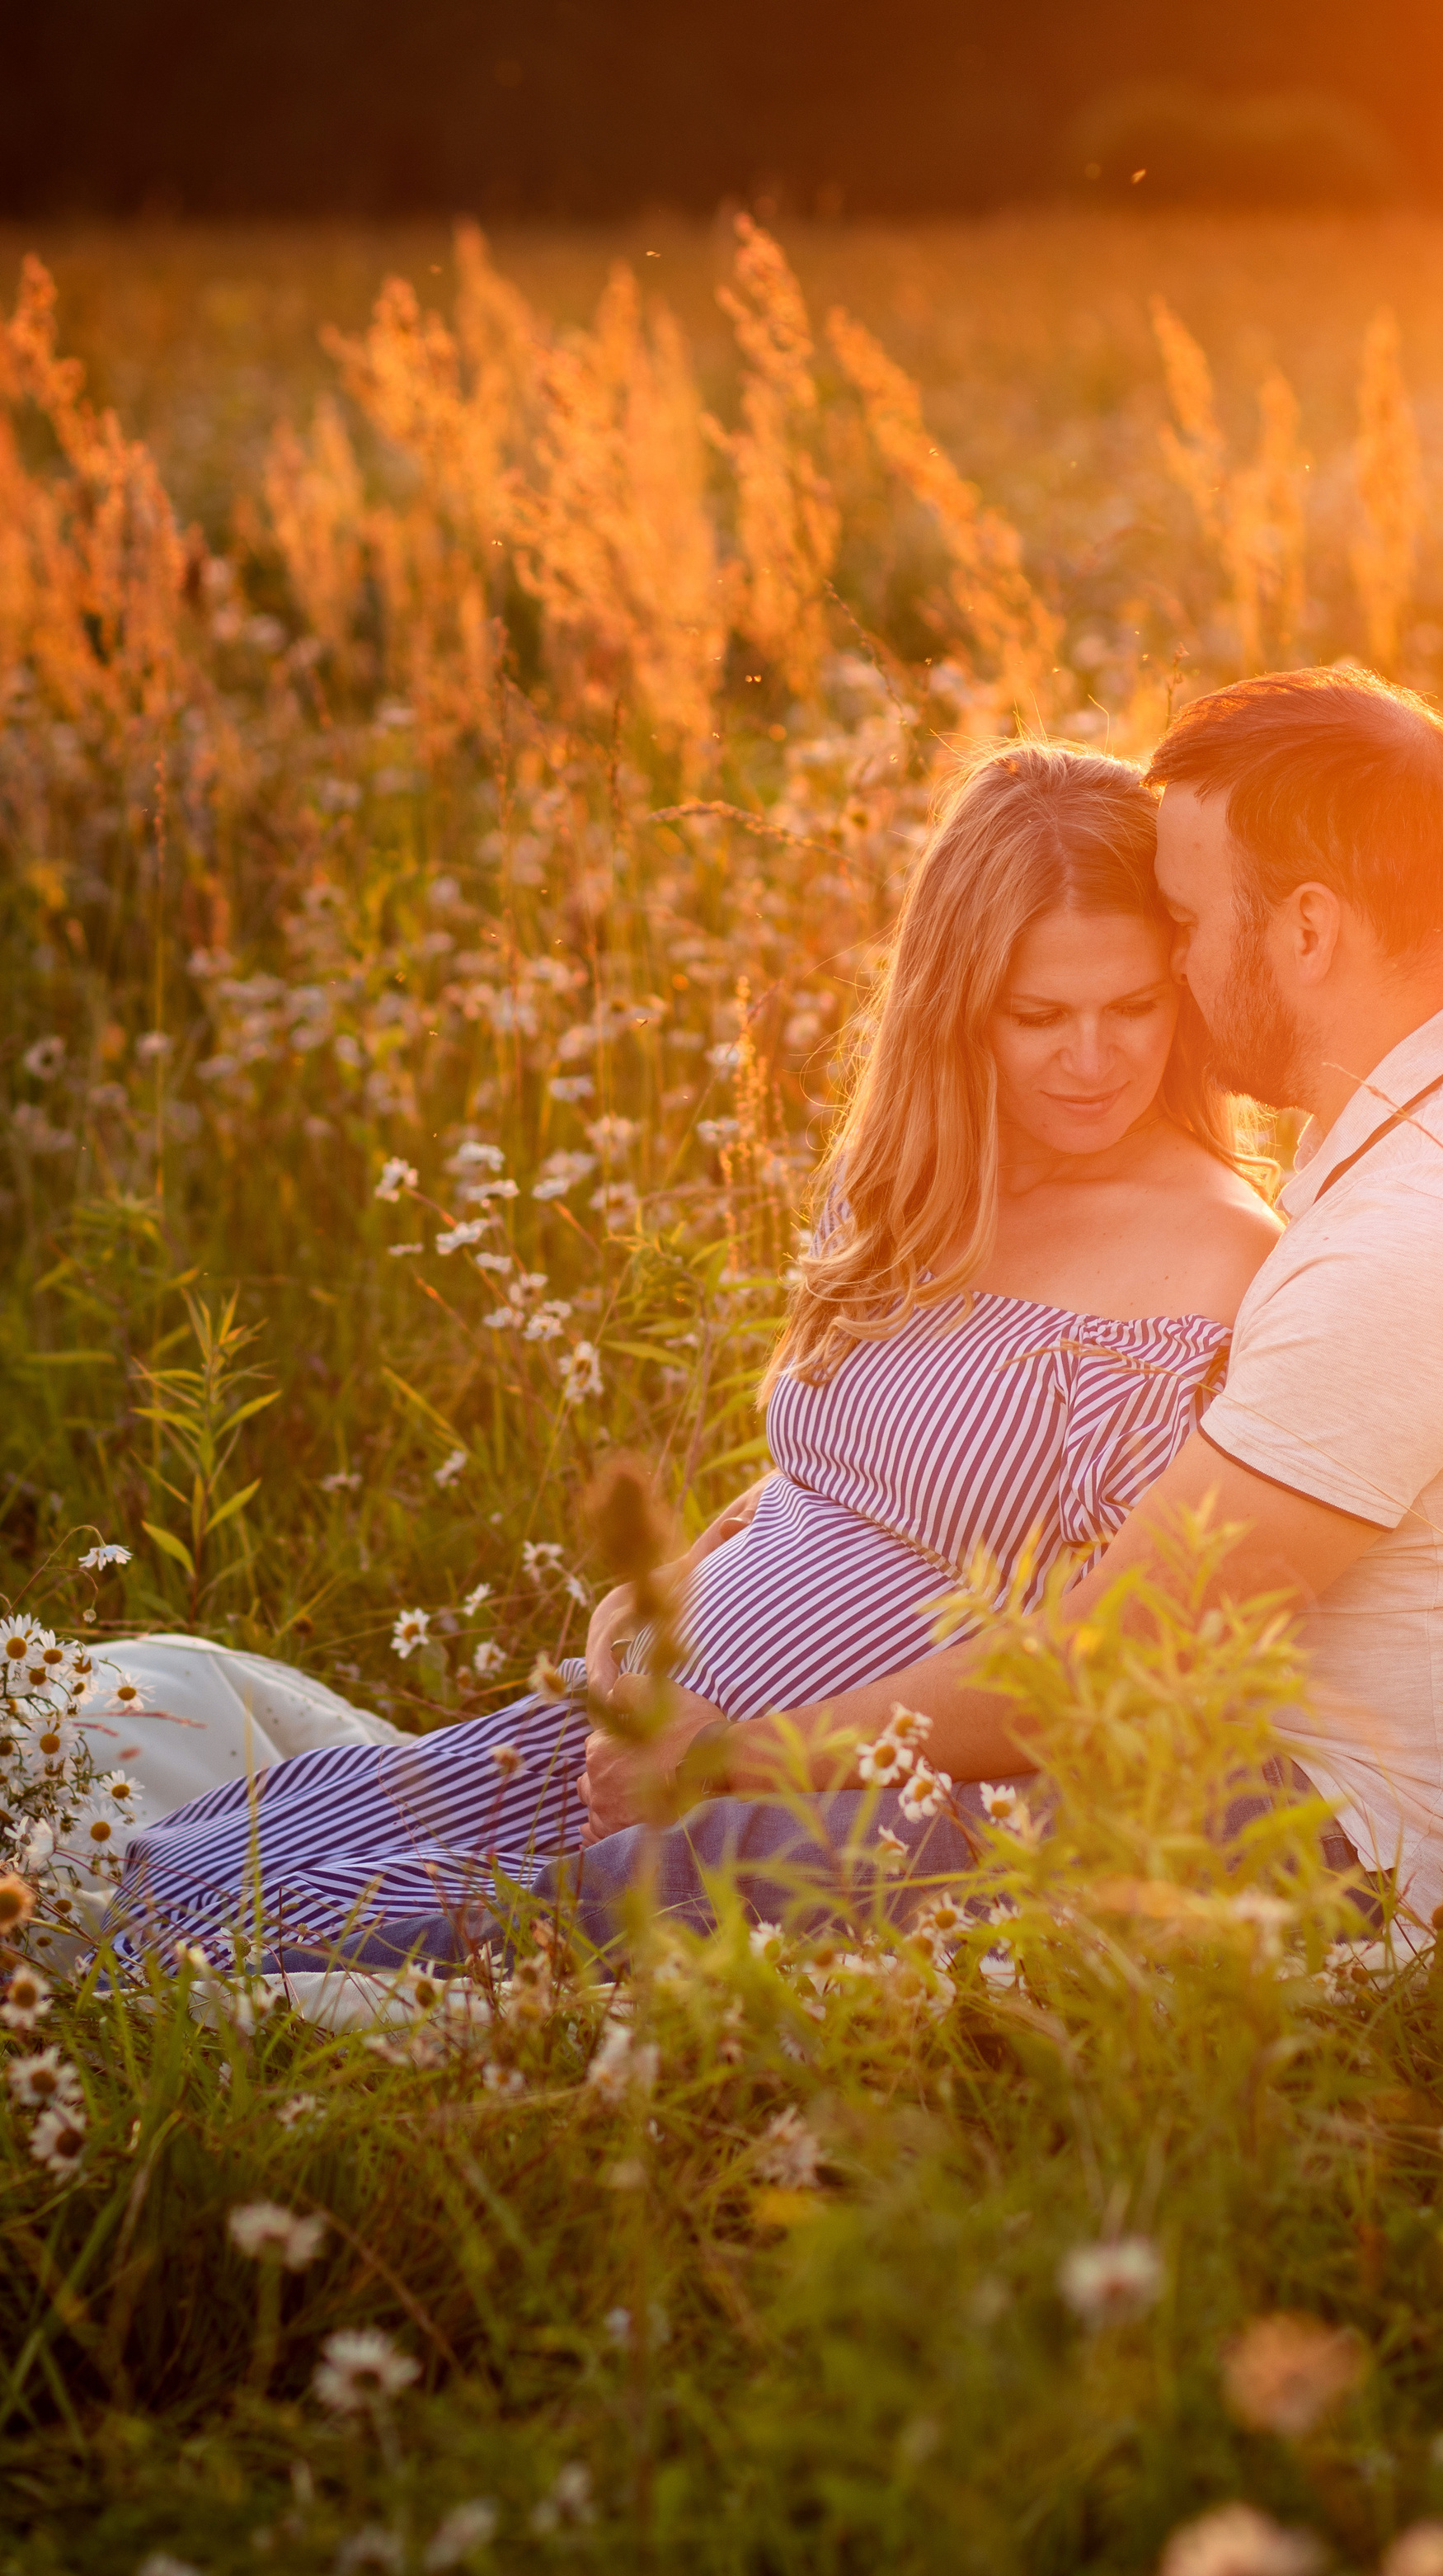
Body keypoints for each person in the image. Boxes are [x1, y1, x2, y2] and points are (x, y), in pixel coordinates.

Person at [575, 665, 1443, 1931]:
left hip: (1372, 1870)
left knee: (662, 1885)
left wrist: (743, 1755)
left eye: (1184, 923)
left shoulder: (1424, 1240)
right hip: (1370, 1809)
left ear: (1307, 932)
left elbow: (1106, 1669)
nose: (1172, 968)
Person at [110, 744, 1281, 1966]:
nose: (1094, 1061)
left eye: (1134, 1007)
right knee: (185, 1870)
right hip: (626, 1738)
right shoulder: (911, 1188)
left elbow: (1107, 1663)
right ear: (956, 1003)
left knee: (244, 1950)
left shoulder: (1214, 1270)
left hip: (795, 1830)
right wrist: (652, 1603)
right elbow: (827, 1477)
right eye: (1039, 1016)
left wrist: (727, 1756)